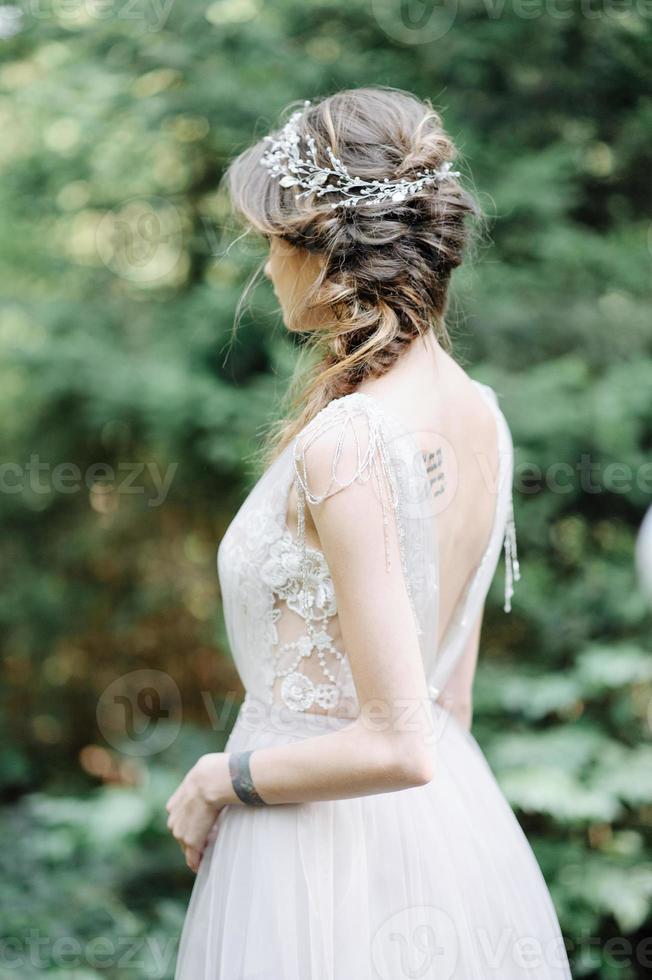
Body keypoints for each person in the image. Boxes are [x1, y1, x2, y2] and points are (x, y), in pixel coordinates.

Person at [167, 87, 572, 979]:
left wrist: (218, 778)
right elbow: (445, 708)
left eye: (274, 243)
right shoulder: (483, 415)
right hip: (443, 850)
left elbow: (397, 740)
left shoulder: (351, 439)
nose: (266, 268)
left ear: (329, 255)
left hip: (313, 859)